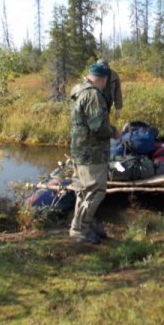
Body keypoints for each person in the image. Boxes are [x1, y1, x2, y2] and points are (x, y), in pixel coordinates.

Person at [69, 63, 121, 244]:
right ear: (104, 79)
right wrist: (114, 131)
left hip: (80, 151)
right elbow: (98, 126)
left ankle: (83, 225)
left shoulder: (79, 89)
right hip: (92, 154)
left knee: (84, 191)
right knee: (96, 191)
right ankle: (80, 229)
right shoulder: (93, 95)